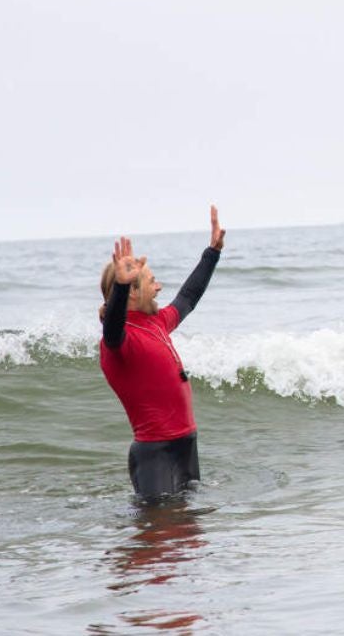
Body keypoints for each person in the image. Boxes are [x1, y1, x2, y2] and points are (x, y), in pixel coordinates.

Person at [99, 206, 226, 502]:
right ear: (132, 291)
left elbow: (189, 297)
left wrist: (213, 252)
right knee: (155, 541)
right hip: (155, 454)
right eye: (152, 281)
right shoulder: (119, 340)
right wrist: (119, 285)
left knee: (188, 537)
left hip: (186, 445)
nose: (159, 287)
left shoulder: (157, 322)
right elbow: (113, 327)